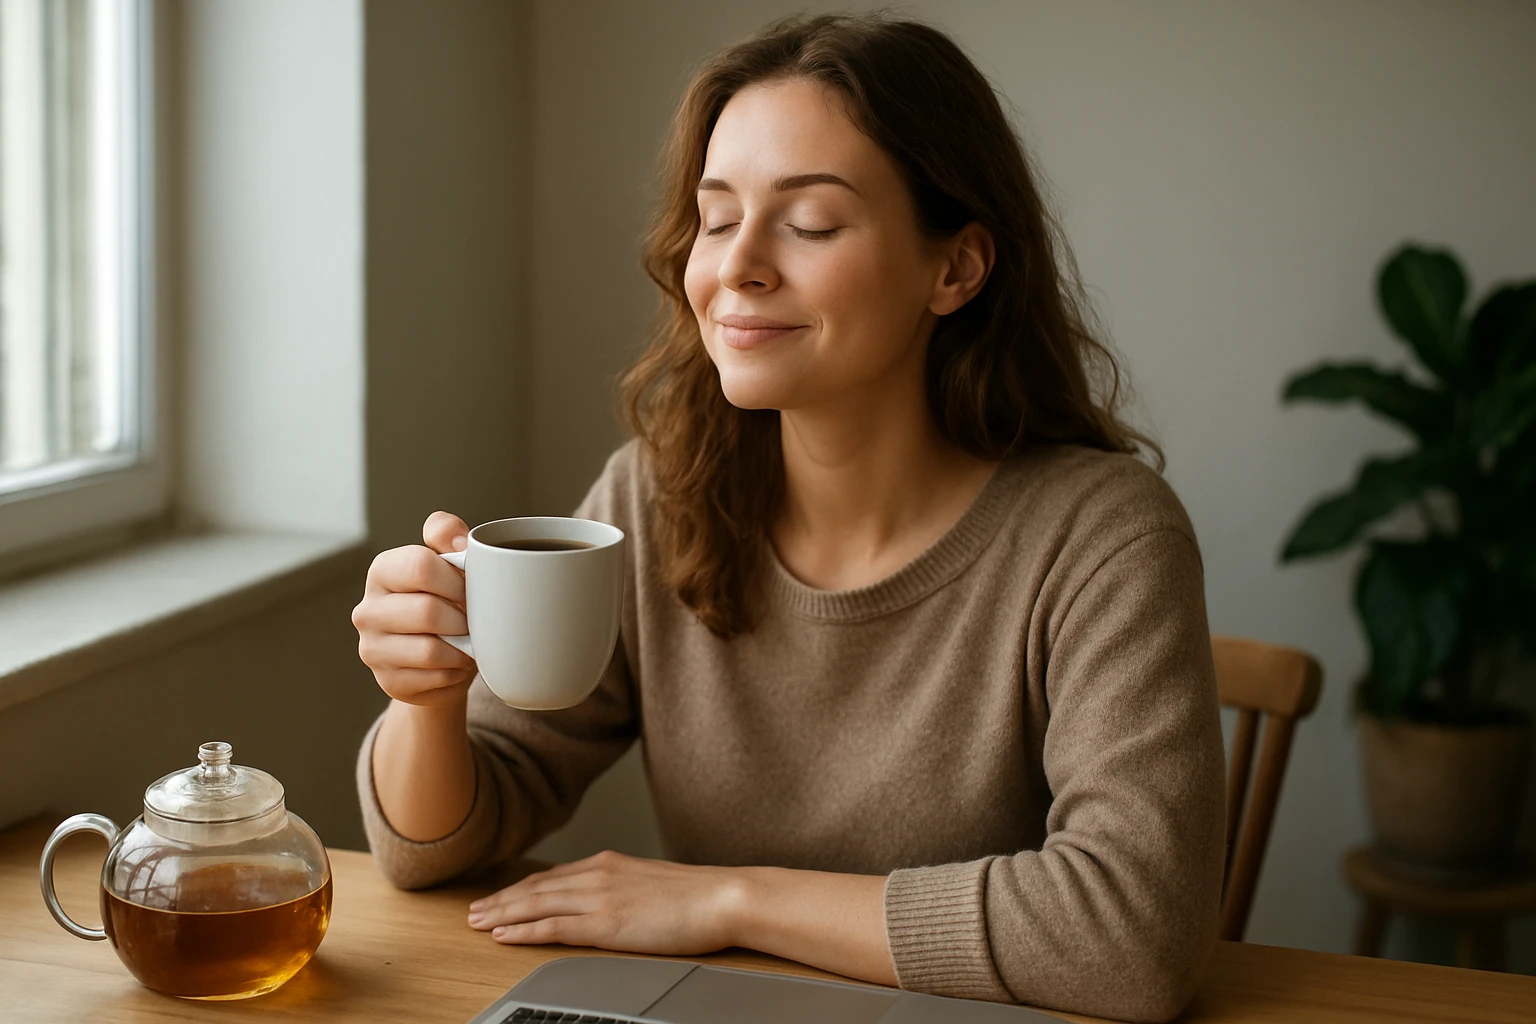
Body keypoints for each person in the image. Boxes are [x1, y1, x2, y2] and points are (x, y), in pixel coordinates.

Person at [350, 13, 1224, 1024]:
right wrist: (425, 700)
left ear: (957, 268)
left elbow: (1134, 936)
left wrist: (732, 897)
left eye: (809, 223)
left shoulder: (1104, 537)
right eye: (716, 219)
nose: (739, 266)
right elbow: (431, 849)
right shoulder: (656, 497)